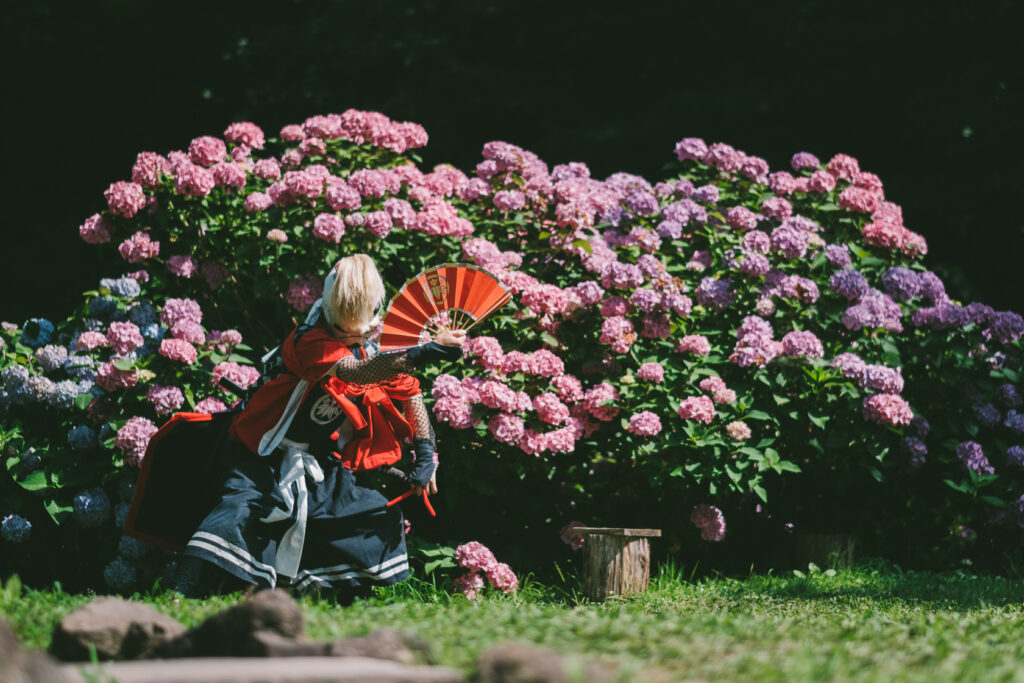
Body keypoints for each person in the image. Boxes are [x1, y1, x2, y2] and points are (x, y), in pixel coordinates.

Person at [170, 254, 465, 598]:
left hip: (320, 461)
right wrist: (424, 352)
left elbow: (410, 395)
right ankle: (182, 590)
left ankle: (345, 598)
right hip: (261, 451)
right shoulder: (308, 339)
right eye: (344, 328)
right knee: (237, 511)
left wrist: (426, 452)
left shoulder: (373, 346)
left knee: (365, 513)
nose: (352, 334)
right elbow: (357, 373)